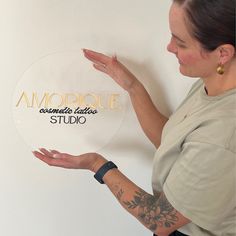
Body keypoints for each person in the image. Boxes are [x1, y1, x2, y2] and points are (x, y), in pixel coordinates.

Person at [32, 0, 236, 235]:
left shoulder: (223, 134)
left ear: (222, 53)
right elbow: (172, 145)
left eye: (180, 42)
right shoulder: (212, 85)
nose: (169, 47)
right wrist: (133, 87)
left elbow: (160, 221)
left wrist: (97, 164)